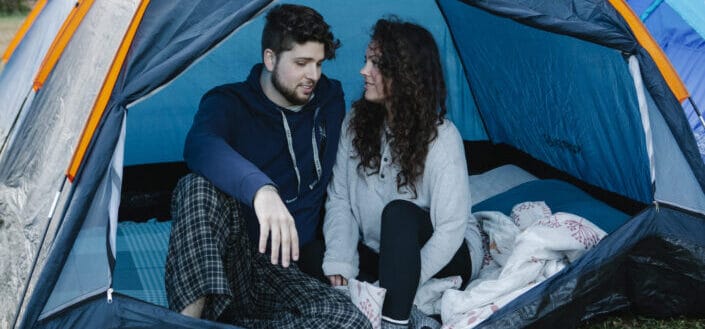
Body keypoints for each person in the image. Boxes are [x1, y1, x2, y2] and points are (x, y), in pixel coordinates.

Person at [164, 4, 371, 328]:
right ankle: (183, 324)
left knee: (348, 321)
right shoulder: (229, 103)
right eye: (302, 63)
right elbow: (200, 144)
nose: (313, 76)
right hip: (233, 254)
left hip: (285, 271)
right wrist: (262, 191)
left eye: (318, 64)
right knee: (195, 187)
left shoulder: (329, 99)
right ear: (271, 58)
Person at [321, 18, 484, 329]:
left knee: (398, 213)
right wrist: (340, 261)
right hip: (379, 251)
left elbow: (450, 230)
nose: (363, 71)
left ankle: (394, 323)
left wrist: (399, 283)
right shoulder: (356, 122)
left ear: (405, 75)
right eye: (365, 61)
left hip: (446, 253)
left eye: (376, 64)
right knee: (313, 251)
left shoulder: (442, 140)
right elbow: (340, 196)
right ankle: (390, 305)